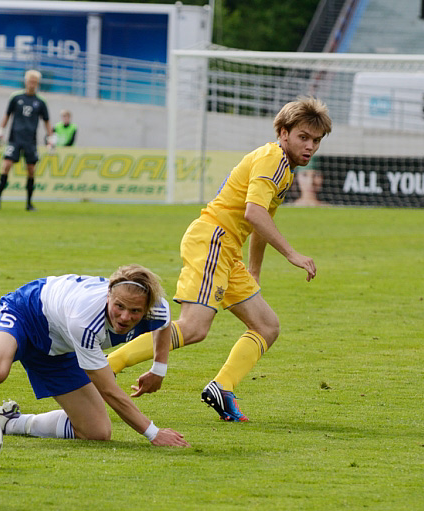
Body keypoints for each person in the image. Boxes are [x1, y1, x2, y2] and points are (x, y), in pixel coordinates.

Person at [107, 96, 332, 422]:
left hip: (226, 250)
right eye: (303, 137)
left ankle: (222, 388)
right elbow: (254, 213)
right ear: (283, 132)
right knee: (194, 328)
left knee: (267, 326)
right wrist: (292, 254)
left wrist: (254, 270)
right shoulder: (273, 160)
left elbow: (261, 219)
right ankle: (105, 367)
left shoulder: (283, 167)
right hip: (212, 241)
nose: (310, 146)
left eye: (316, 140)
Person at [0, 265, 189, 448]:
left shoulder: (157, 308)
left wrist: (158, 368)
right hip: (26, 312)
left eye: (135, 311)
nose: (125, 316)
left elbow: (163, 326)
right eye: (119, 306)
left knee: (96, 432)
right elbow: (109, 390)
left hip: (59, 345)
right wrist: (153, 433)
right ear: (109, 294)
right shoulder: (86, 317)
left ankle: (9, 422)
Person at [0, 69, 54, 211]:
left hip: (30, 141)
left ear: (37, 83)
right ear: (26, 81)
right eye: (30, 81)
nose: (32, 84)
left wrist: (51, 138)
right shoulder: (16, 97)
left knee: (31, 170)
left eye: (35, 82)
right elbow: (7, 115)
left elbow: (47, 121)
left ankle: (29, 203)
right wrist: (0, 130)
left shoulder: (41, 102)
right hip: (14, 139)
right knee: (6, 166)